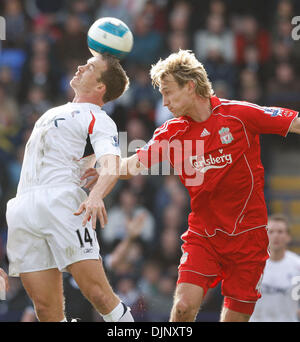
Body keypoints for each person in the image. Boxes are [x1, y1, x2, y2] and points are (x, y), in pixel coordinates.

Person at [86, 49, 300, 322]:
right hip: (204, 235)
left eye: (168, 92)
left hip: (249, 239)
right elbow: (131, 166)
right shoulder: (172, 133)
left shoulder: (238, 115)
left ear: (190, 86)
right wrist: (102, 168)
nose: (164, 103)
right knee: (184, 308)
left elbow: (294, 123)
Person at [5, 53, 134, 322]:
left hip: (63, 203)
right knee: (45, 309)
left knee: (98, 294)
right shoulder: (53, 110)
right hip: (23, 205)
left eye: (89, 67)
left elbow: (111, 163)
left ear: (101, 87)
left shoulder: (99, 118)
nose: (79, 67)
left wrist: (96, 196)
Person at [250, 214, 300, 322]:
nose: (276, 236)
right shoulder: (252, 264)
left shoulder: (297, 266)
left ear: (288, 237)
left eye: (280, 232)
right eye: (271, 231)